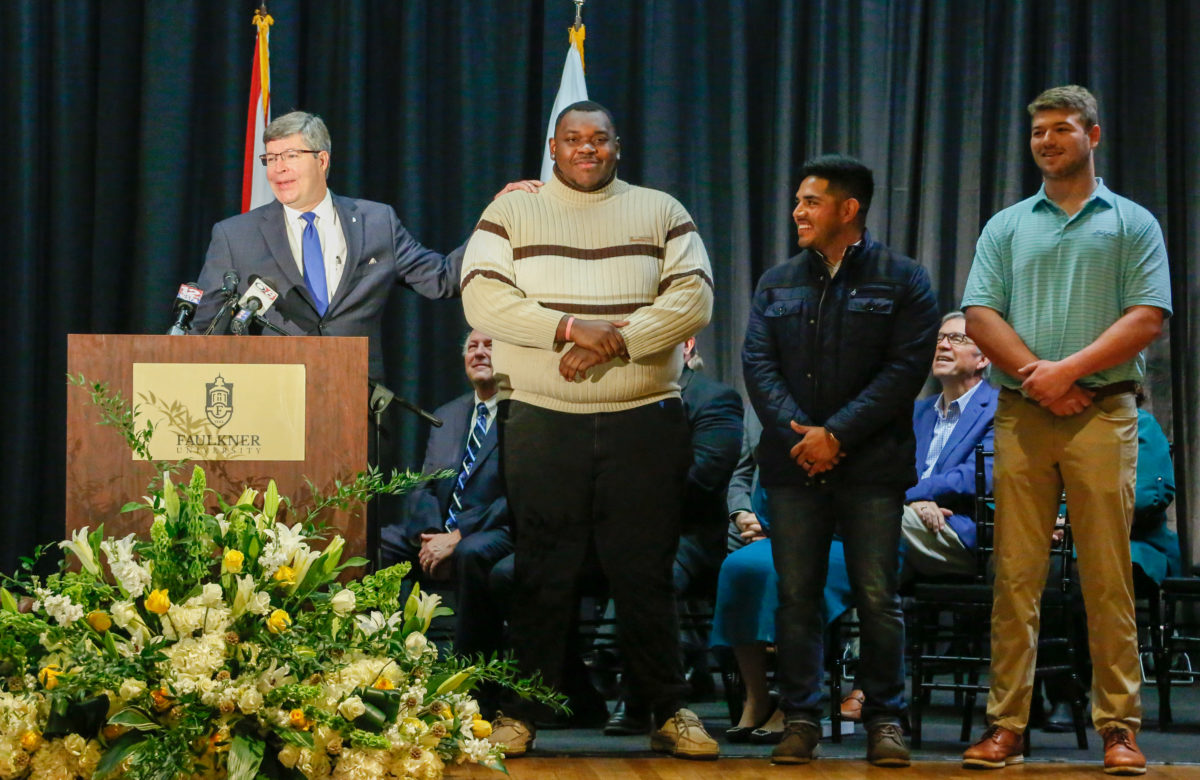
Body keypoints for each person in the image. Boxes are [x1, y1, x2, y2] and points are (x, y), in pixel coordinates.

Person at [461, 100, 718, 760]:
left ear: (617, 147)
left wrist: (617, 342)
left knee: (645, 572)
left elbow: (694, 298)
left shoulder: (661, 210)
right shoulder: (511, 211)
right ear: (553, 147)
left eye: (598, 140)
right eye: (573, 139)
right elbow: (483, 296)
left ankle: (667, 708)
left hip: (644, 420)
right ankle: (523, 714)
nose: (586, 149)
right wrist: (570, 329)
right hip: (545, 421)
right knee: (541, 572)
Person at [960, 85, 1171, 775]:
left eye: (1061, 129)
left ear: (1093, 135)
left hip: (1103, 412)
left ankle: (1118, 728)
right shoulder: (1008, 224)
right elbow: (981, 313)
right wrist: (1035, 376)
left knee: (1107, 580)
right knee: (1014, 579)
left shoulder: (1132, 222)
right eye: (1038, 133)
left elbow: (1147, 316)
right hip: (1022, 414)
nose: (1047, 142)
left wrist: (1068, 373)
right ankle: (1006, 727)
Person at [742, 154, 939, 767]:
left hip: (872, 467)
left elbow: (903, 372)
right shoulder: (776, 280)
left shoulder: (904, 279)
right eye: (798, 201)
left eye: (810, 201)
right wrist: (802, 435)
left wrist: (837, 436)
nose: (797, 212)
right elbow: (758, 363)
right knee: (795, 596)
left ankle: (884, 718)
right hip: (792, 465)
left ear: (848, 209)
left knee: (878, 596)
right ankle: (800, 718)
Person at [192, 110, 535, 380]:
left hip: (356, 396)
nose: (278, 169)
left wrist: (493, 221)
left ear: (322, 160)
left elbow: (442, 278)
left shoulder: (376, 222)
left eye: (291, 156)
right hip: (273, 398)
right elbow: (205, 328)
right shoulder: (235, 235)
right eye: (271, 159)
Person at [604, 337, 743, 736]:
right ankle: (569, 688)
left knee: (645, 564)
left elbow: (704, 479)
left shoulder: (714, 399)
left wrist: (633, 490)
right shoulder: (624, 396)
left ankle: (637, 698)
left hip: (692, 533)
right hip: (624, 525)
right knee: (536, 564)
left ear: (687, 344)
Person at [379, 330, 511, 661]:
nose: (479, 353)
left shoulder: (522, 413)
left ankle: (470, 671)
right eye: (472, 347)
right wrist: (432, 538)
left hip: (497, 529)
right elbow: (425, 484)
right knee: (377, 543)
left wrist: (457, 537)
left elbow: (518, 494)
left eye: (489, 347)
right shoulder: (449, 413)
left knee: (470, 552)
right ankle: (383, 654)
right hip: (442, 532)